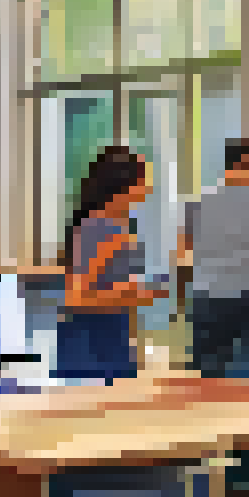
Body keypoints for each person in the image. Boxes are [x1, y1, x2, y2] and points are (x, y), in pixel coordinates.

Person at [57, 145, 163, 384]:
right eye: (144, 179)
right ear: (123, 185)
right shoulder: (100, 228)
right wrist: (130, 293)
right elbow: (75, 298)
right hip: (92, 348)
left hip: (113, 341)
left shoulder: (118, 226)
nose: (148, 188)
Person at [185, 138, 249, 378]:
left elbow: (187, 249)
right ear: (247, 163)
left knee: (208, 368)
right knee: (248, 370)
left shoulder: (198, 204)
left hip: (206, 294)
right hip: (248, 295)